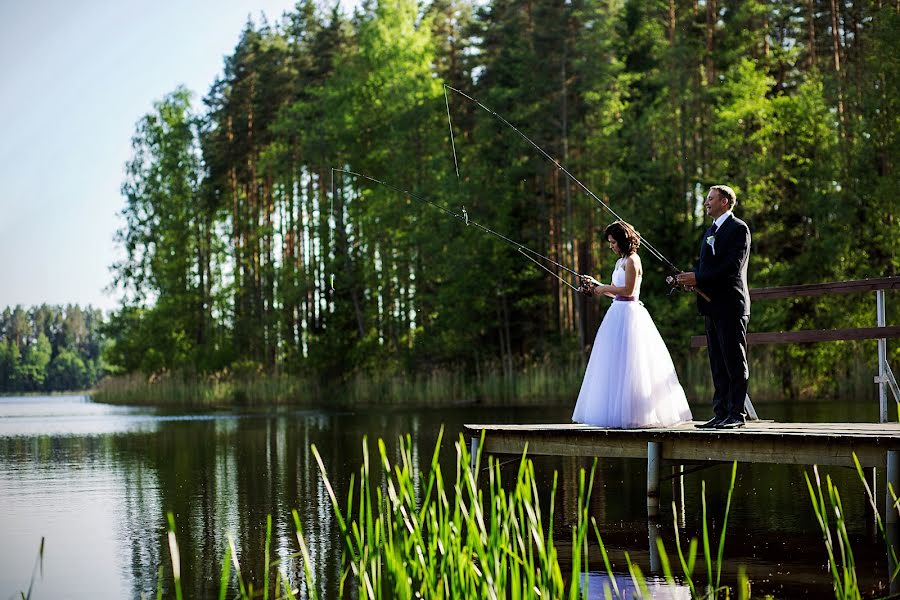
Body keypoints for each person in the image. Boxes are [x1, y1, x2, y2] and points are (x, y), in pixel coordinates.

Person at [572, 220, 692, 428]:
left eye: (613, 242)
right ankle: (615, 415)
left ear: (623, 241)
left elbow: (628, 291)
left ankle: (638, 415)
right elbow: (615, 291)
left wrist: (603, 288)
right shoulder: (620, 262)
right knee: (615, 364)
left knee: (633, 364)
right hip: (616, 312)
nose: (611, 246)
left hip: (630, 316)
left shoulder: (633, 261)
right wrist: (597, 286)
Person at [675, 185, 751, 429]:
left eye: (710, 199)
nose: (706, 203)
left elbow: (732, 268)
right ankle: (720, 413)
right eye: (706, 199)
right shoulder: (710, 230)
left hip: (731, 306)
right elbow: (707, 270)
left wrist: (699, 278)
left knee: (734, 362)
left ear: (725, 202)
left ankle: (737, 415)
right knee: (717, 363)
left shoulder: (739, 229)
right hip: (711, 306)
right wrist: (694, 282)